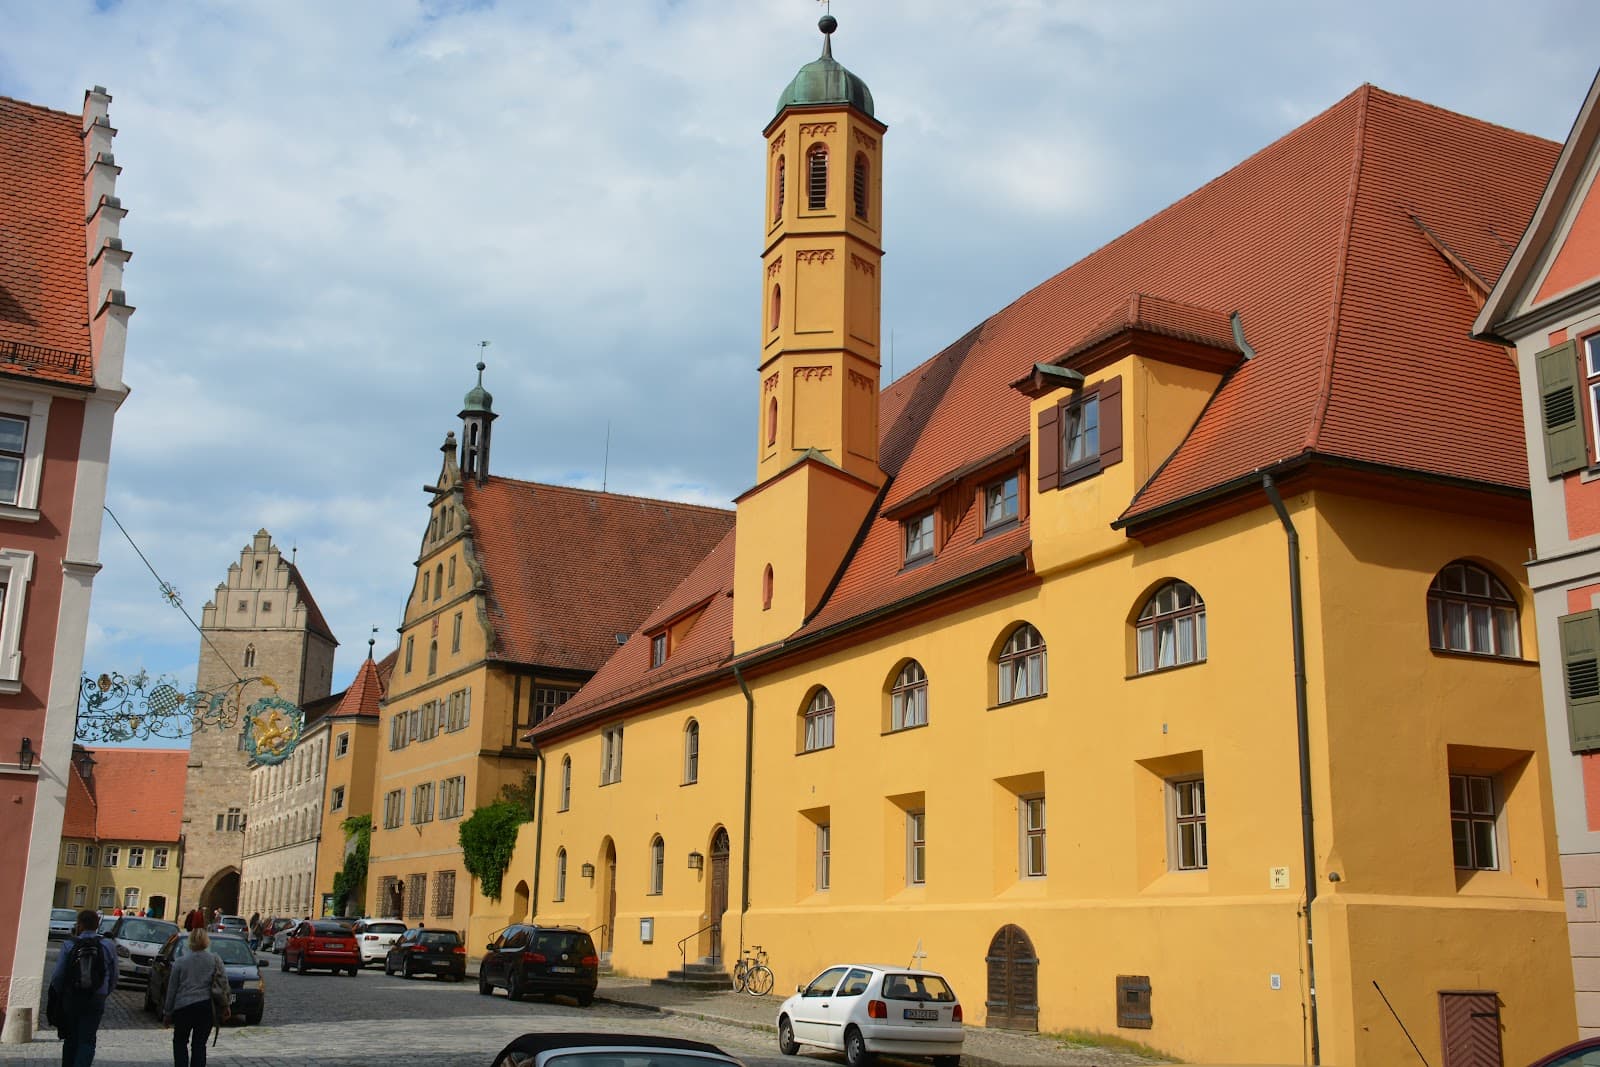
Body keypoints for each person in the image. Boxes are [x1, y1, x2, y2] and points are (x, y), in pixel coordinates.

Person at [48, 908, 117, 1067]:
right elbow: (114, 976)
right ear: (97, 925)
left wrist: (61, 993)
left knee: (71, 1037)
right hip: (96, 997)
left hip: (72, 997)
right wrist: (104, 993)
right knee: (87, 1040)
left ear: (79, 924)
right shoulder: (108, 945)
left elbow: (57, 976)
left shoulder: (69, 944)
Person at [163, 927, 226, 1067]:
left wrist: (167, 1012)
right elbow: (223, 983)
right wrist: (225, 1005)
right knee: (199, 1044)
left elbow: (172, 989)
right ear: (206, 941)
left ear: (190, 941)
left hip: (183, 1007)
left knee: (180, 1042)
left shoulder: (180, 962)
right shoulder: (214, 960)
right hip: (205, 1006)